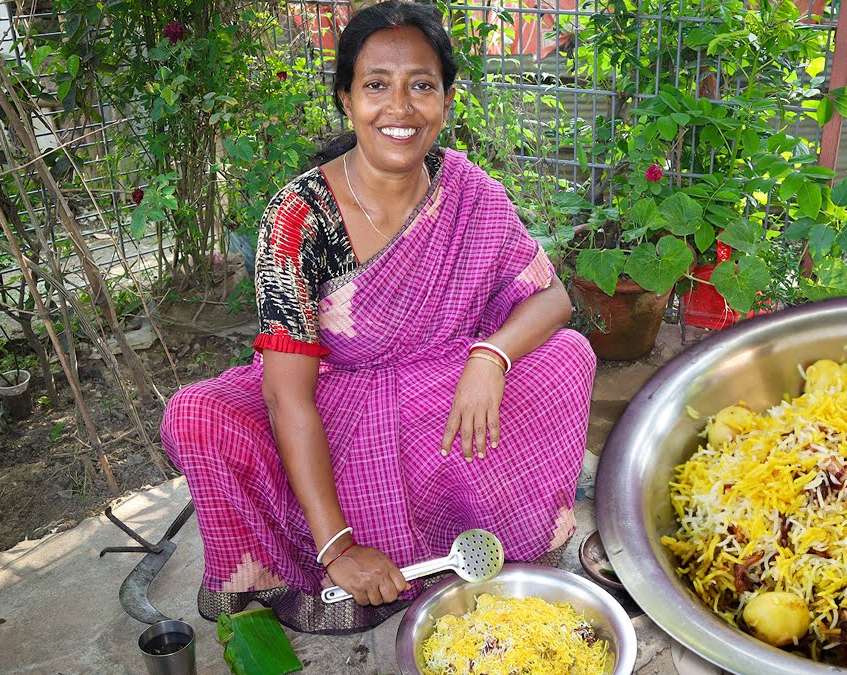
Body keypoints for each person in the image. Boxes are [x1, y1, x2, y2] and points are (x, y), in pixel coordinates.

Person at [160, 0, 595, 634]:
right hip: (335, 402)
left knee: (565, 359)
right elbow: (287, 399)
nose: (400, 108)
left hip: (442, 389)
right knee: (198, 415)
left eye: (421, 85)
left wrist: (490, 356)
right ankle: (330, 551)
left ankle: (478, 536)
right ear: (346, 99)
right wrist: (336, 544)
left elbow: (553, 300)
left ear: (446, 100)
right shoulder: (299, 219)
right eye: (376, 86)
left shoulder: (469, 192)